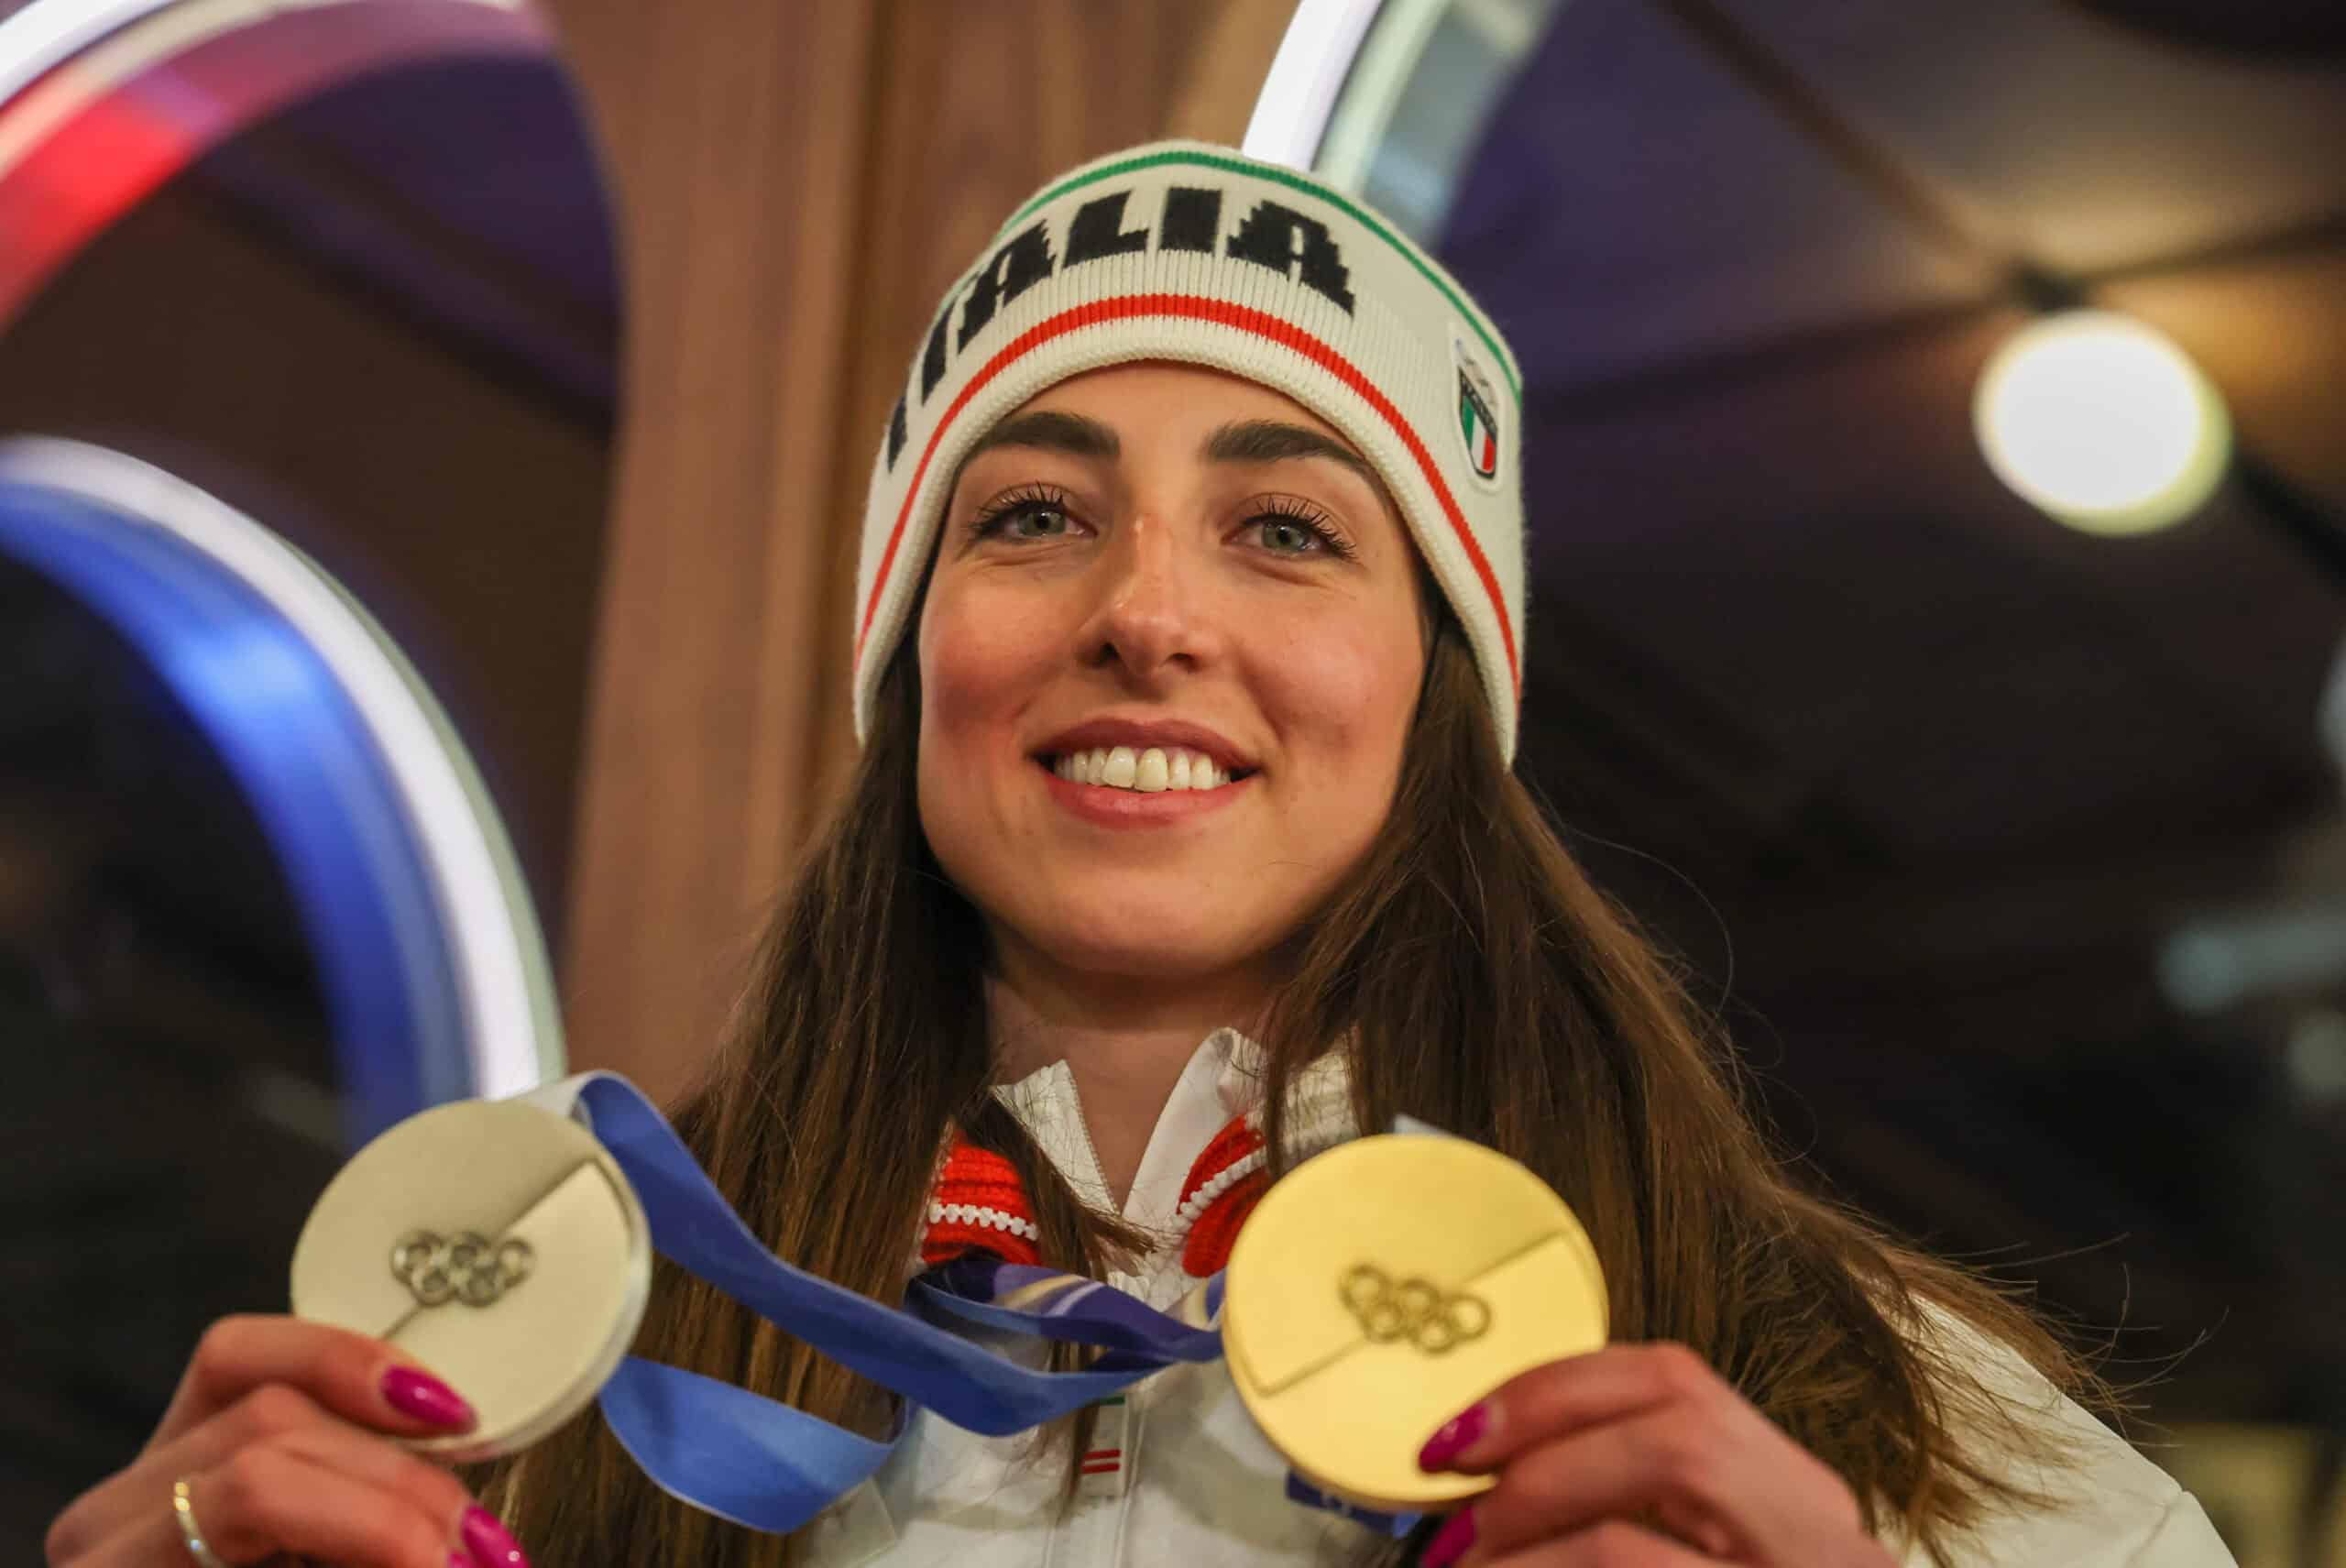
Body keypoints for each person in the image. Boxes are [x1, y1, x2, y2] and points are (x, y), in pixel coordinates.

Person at [45, 140, 2233, 1568]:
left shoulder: (1885, 1428)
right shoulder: (533, 1348)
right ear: (918, 660)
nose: (1147, 612)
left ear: (1434, 691)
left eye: (1283, 528)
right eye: (1028, 513)